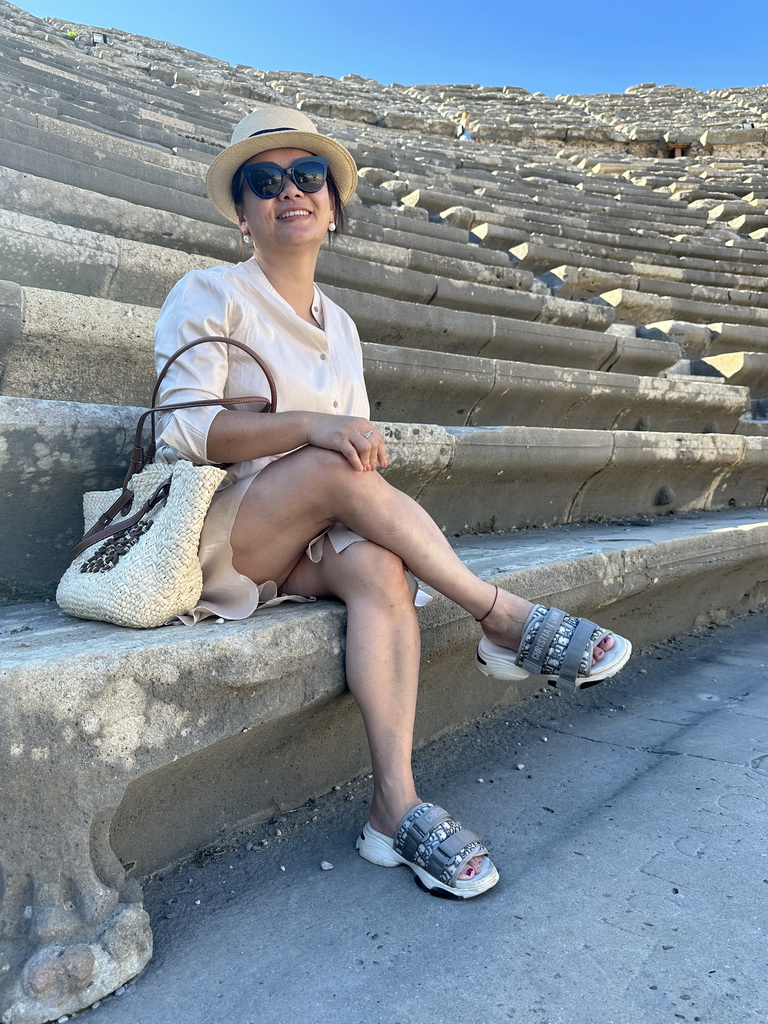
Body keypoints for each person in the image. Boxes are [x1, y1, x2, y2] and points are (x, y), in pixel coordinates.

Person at [153, 106, 632, 900]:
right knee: (327, 465)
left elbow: (355, 448)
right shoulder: (209, 294)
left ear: (334, 206)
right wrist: (314, 428)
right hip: (220, 534)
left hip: (304, 541)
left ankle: (393, 807)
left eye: (308, 176)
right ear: (242, 213)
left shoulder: (341, 326)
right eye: (264, 182)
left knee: (380, 564)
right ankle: (500, 617)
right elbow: (184, 428)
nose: (290, 192)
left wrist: (341, 445)